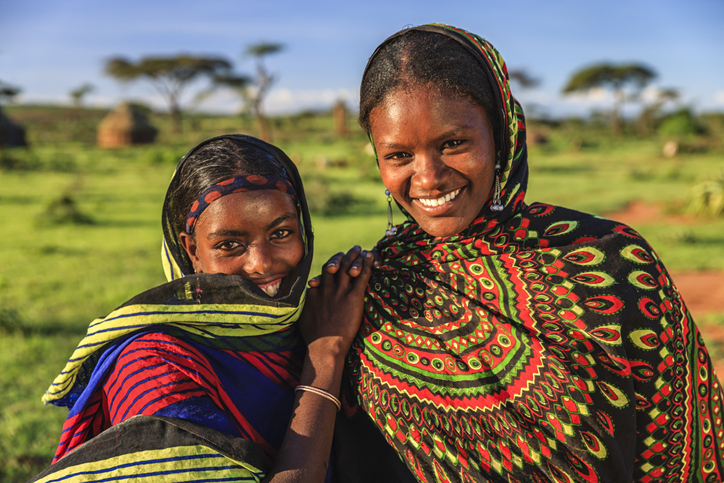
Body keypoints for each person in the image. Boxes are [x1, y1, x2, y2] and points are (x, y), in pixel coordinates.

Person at [338, 24, 724, 482]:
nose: (428, 178)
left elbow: (681, 448)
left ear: (501, 134)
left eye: (453, 144)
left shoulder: (613, 262)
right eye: (399, 156)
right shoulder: (363, 288)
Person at [33, 134, 374, 483]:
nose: (261, 263)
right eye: (229, 244)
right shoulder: (152, 365)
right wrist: (325, 354)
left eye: (281, 233)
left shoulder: (320, 314)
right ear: (193, 250)